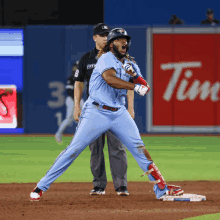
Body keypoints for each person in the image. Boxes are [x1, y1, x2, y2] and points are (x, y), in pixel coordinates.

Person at [30, 28, 184, 201]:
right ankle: (41, 186)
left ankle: (161, 188)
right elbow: (110, 78)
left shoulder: (130, 64)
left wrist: (134, 76)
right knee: (74, 149)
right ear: (111, 45)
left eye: (125, 39)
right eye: (119, 39)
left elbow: (145, 87)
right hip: (96, 111)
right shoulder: (104, 58)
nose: (124, 42)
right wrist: (134, 86)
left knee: (140, 149)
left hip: (119, 113)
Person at [74, 23, 132, 196]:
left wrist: (130, 107)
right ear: (94, 38)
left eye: (107, 34)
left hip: (115, 109)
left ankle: (121, 186)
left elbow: (129, 84)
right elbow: (78, 84)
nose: (105, 37)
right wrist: (76, 106)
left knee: (118, 148)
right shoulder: (86, 58)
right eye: (101, 35)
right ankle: (99, 185)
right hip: (94, 109)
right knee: (95, 149)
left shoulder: (120, 57)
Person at [55, 61, 84, 144]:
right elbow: (69, 91)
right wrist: (76, 102)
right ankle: (58, 134)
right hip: (71, 100)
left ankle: (81, 137)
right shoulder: (71, 78)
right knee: (69, 119)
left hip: (79, 99)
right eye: (76, 67)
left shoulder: (81, 77)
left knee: (85, 117)